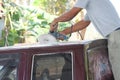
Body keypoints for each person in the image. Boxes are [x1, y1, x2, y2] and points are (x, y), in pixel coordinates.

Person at [50, 0, 120, 80]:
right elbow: (84, 22)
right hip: (115, 35)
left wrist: (56, 20)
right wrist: (64, 32)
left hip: (116, 36)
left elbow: (71, 14)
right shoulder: (93, 5)